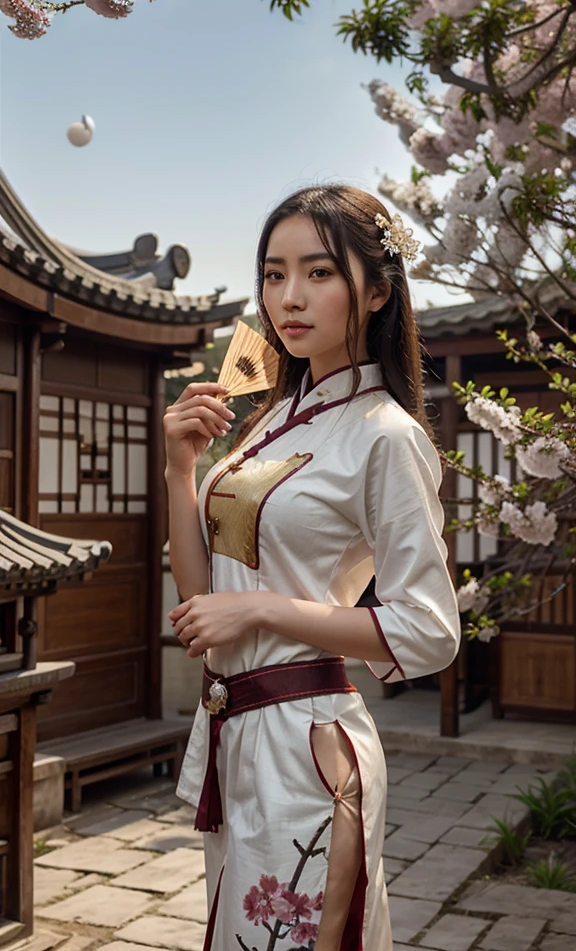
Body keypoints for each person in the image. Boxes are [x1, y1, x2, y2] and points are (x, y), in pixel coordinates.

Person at [164, 185, 460, 951]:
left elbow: (429, 631)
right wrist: (179, 470)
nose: (288, 298)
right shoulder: (271, 424)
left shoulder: (383, 435)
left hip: (309, 744)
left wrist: (261, 611)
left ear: (378, 289)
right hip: (238, 733)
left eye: (319, 273)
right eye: (273, 273)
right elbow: (201, 603)